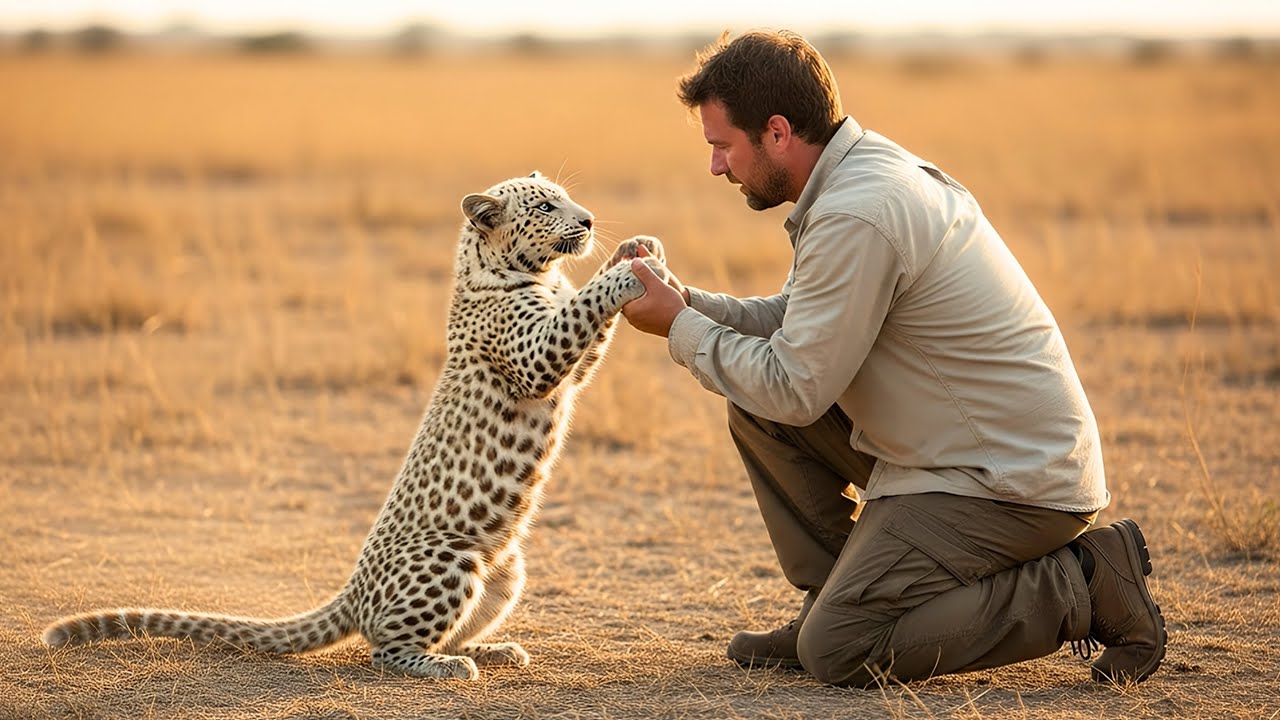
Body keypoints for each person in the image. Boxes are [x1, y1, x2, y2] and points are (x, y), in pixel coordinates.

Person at [619, 29, 1166, 687]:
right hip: (958, 451)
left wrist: (680, 329)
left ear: (777, 133)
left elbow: (794, 386)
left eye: (722, 145)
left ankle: (1087, 582)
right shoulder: (857, 175)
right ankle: (835, 597)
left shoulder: (858, 211)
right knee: (755, 406)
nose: (715, 166)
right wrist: (689, 303)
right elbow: (799, 323)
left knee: (840, 649)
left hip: (1010, 481)